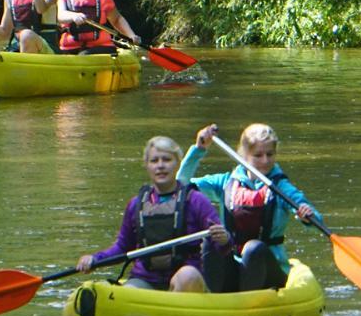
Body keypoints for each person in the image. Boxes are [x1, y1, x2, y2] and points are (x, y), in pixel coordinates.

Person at [180, 123, 320, 292]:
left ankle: (246, 301)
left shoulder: (281, 188)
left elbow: (315, 220)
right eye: (258, 155)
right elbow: (181, 184)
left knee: (254, 249)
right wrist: (199, 149)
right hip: (234, 268)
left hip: (268, 272)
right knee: (212, 239)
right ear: (244, 155)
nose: (265, 160)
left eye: (270, 154)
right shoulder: (225, 183)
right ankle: (217, 298)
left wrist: (307, 215)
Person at [77, 136, 227, 292]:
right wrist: (95, 259)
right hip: (145, 279)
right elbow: (122, 247)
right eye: (154, 161)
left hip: (185, 282)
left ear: (177, 163)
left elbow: (222, 247)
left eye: (167, 160)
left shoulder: (196, 201)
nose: (160, 166)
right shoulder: (136, 204)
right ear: (147, 166)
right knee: (129, 291)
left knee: (188, 275)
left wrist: (223, 239)